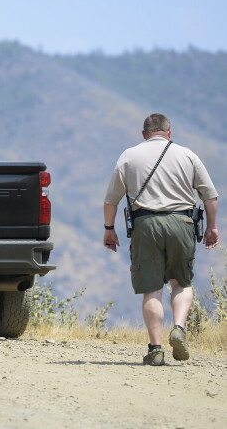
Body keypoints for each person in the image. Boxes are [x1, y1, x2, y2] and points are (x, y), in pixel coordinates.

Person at [103, 113, 219, 366]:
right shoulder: (188, 155)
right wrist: (212, 227)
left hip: (145, 225)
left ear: (143, 134)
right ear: (169, 133)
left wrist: (109, 229)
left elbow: (111, 200)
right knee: (181, 283)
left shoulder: (129, 156)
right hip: (182, 223)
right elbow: (210, 197)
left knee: (152, 289)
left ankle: (155, 349)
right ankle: (178, 328)